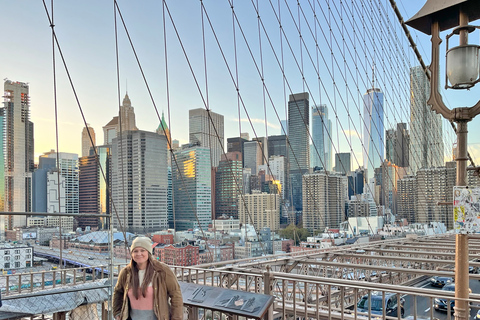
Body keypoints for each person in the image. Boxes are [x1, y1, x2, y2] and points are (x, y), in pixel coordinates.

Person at [113, 237, 183, 320]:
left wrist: (176, 318)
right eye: (135, 251)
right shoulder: (126, 272)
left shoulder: (162, 271)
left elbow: (176, 295)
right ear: (132, 254)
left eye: (142, 250)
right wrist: (117, 313)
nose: (139, 254)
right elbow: (118, 292)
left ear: (149, 252)